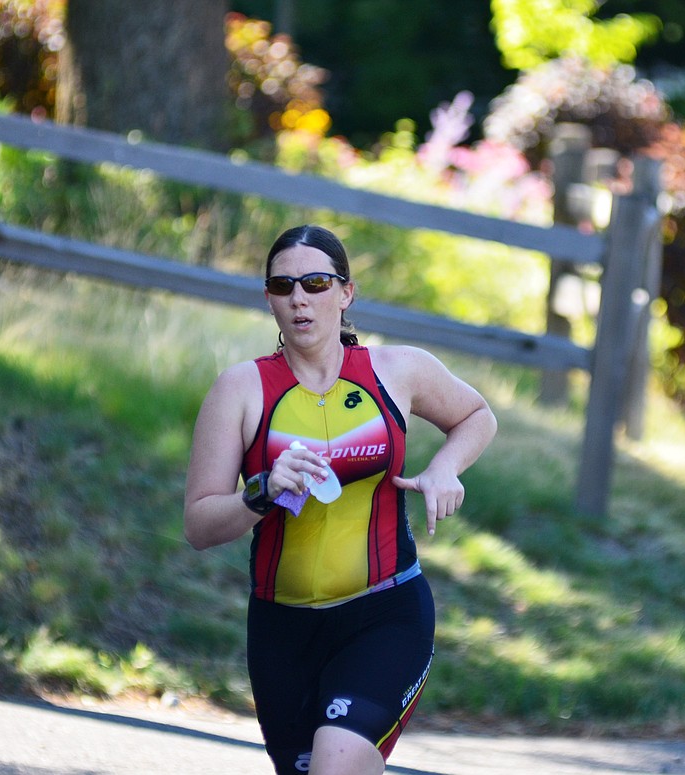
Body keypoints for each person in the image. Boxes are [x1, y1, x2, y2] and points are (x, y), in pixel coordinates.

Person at [183, 224, 497, 775]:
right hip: (283, 631)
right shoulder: (240, 389)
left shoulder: (397, 371)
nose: (299, 298)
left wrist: (445, 468)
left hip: (385, 613)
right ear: (269, 299)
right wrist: (263, 491)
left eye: (316, 282)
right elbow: (199, 525)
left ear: (346, 293)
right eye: (283, 287)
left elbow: (477, 415)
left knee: (337, 765)